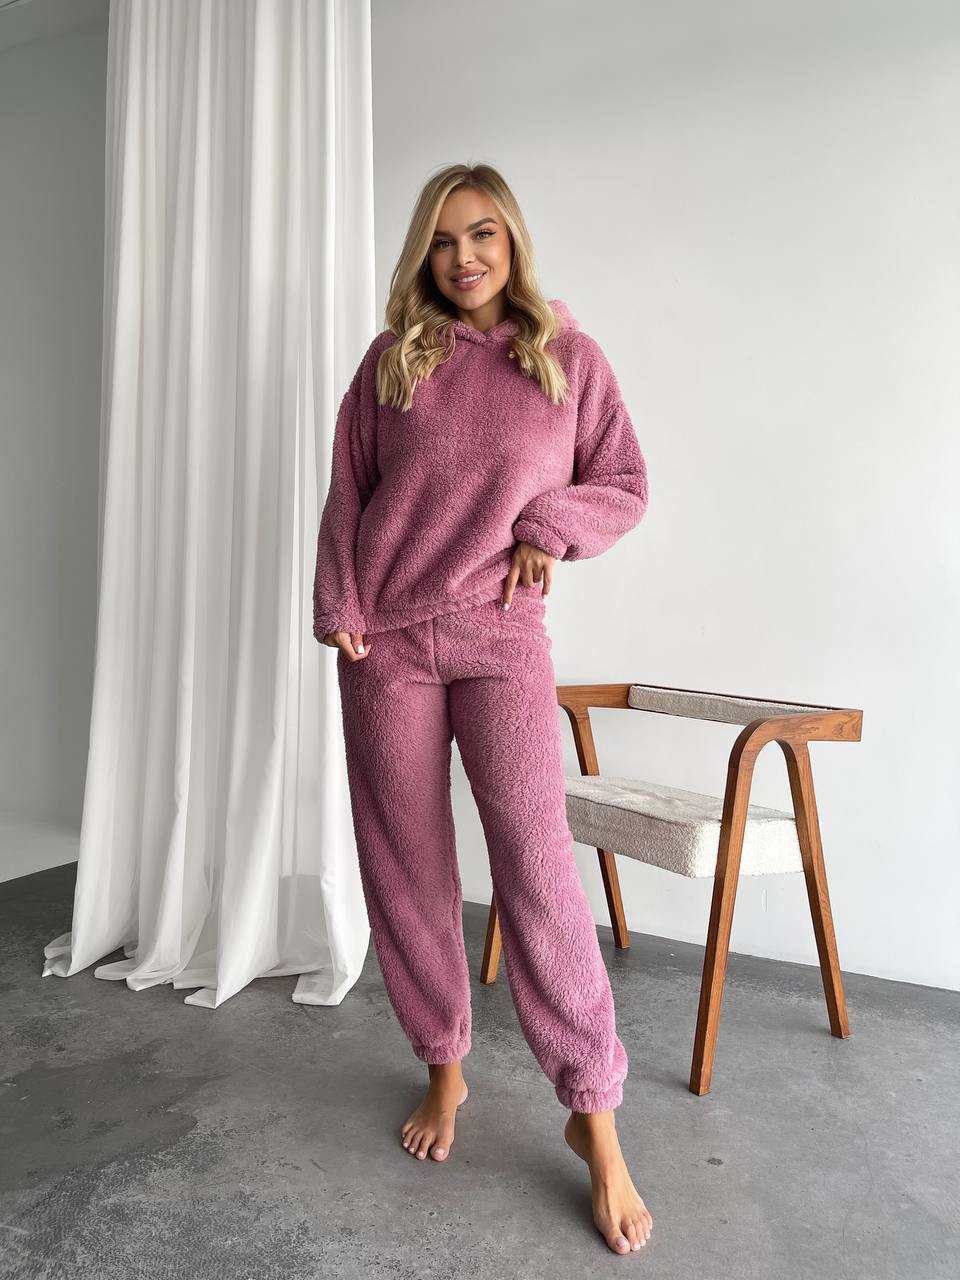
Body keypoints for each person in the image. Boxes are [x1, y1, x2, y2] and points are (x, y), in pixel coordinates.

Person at [313, 162, 652, 1256]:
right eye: (447, 239)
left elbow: (625, 482)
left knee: (537, 863)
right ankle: (445, 1069)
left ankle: (593, 1112)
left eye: (487, 236)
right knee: (407, 864)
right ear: (425, 251)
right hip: (390, 641)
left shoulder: (566, 359)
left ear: (514, 245)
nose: (466, 256)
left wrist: (550, 523)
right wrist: (339, 601)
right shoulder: (389, 364)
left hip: (501, 640)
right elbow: (349, 492)